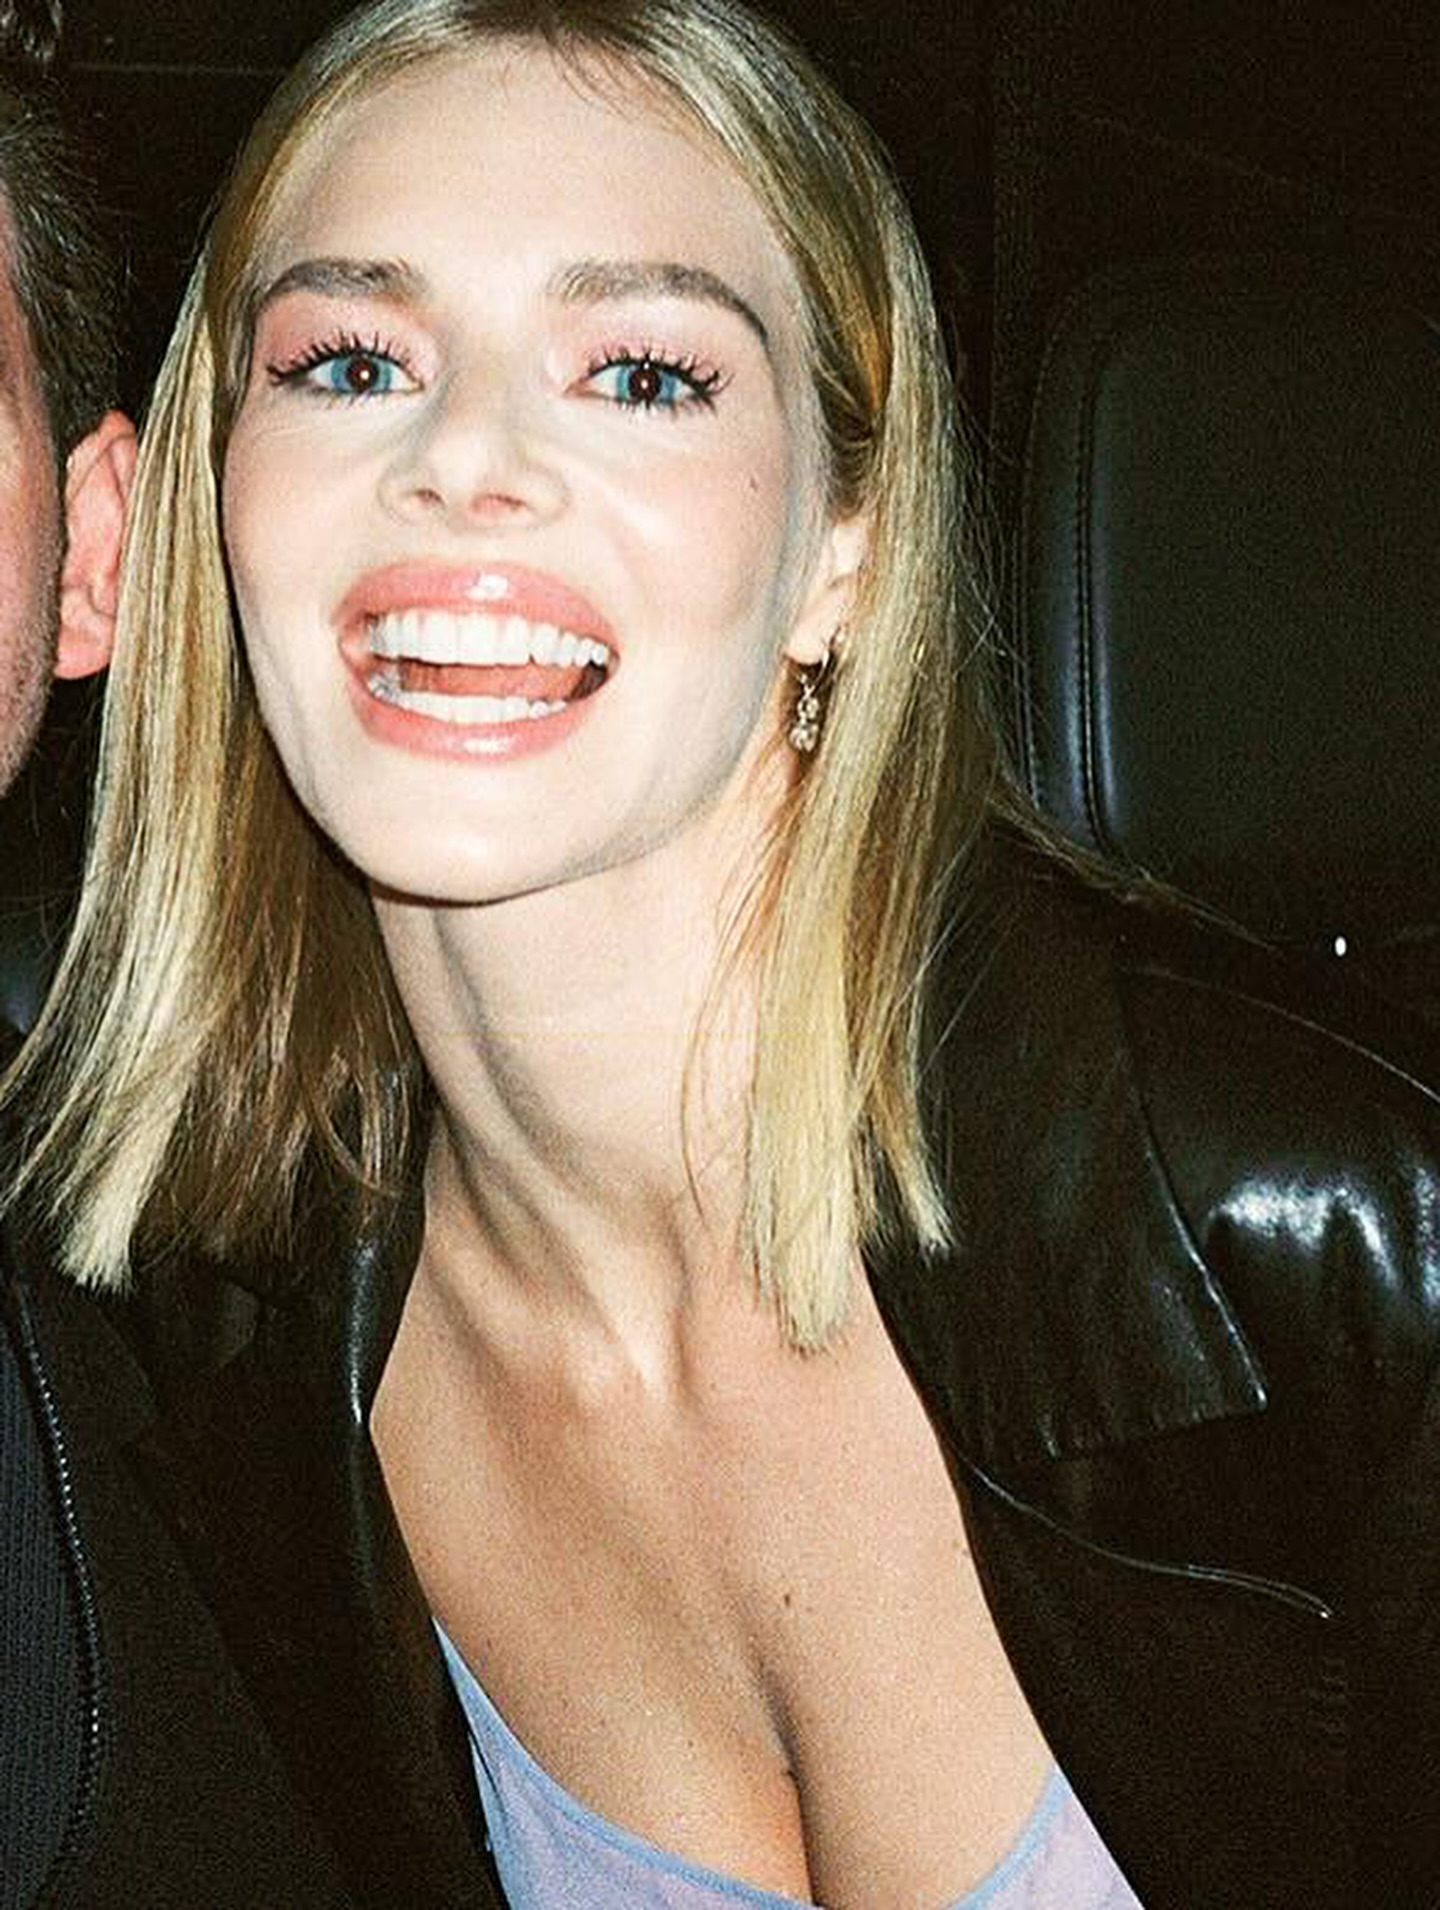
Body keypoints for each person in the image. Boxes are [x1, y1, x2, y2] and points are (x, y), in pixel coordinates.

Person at [4, 0, 1438, 1904]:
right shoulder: (208, 1333)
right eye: (350, 360)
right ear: (211, 505)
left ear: (847, 539)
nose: (466, 461)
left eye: (641, 375)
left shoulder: (1338, 1247)